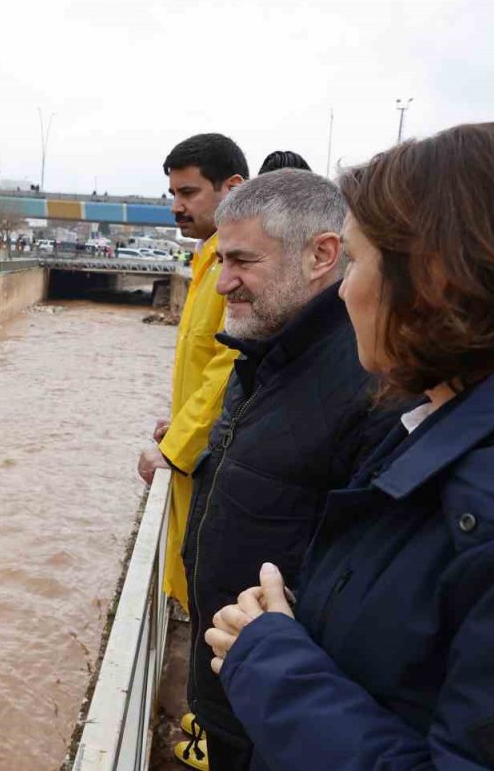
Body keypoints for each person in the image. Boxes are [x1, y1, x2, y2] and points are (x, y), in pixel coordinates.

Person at [207, 123, 494, 770]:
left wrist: (269, 659)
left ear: (438, 279)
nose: (344, 289)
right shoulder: (436, 425)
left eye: (359, 263)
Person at [177, 169, 402, 771]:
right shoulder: (259, 357)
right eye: (220, 260)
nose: (223, 282)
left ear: (322, 255)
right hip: (237, 688)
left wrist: (274, 674)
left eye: (243, 262)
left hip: (282, 723)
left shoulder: (371, 387)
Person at [138, 133, 248, 612]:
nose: (176, 207)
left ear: (233, 188)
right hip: (199, 454)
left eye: (188, 193)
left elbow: (231, 364)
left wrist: (177, 446)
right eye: (173, 195)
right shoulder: (206, 258)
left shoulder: (235, 266)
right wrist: (178, 423)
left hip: (208, 465)